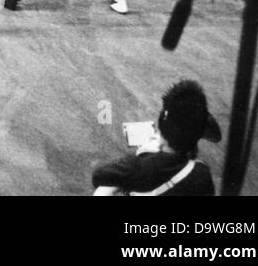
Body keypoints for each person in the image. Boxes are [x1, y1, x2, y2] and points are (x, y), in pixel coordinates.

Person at [91, 80, 221, 195]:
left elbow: (98, 176)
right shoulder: (202, 173)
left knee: (103, 190)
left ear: (162, 128)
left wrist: (142, 153)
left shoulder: (136, 166)